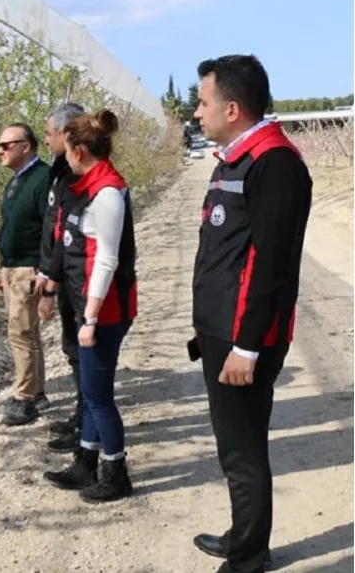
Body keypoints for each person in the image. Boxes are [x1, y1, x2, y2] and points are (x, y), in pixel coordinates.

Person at [189, 54, 311, 573]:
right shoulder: (237, 158)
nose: (196, 113)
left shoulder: (275, 163)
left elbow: (271, 268)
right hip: (222, 330)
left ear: (232, 108)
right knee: (233, 444)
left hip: (244, 338)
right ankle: (244, 535)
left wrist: (247, 345)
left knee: (242, 451)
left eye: (202, 102)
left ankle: (249, 559)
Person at [42, 109, 138, 503]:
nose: (63, 159)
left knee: (98, 396)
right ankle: (86, 461)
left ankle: (115, 472)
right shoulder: (90, 187)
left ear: (79, 151)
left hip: (105, 309)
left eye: (65, 150)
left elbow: (107, 259)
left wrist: (92, 317)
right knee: (91, 389)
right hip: (89, 304)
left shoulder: (108, 193)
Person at [35, 102, 86, 453]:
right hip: (61, 273)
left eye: (50, 134)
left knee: (81, 352)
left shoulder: (77, 175)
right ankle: (83, 417)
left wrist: (51, 284)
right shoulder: (58, 169)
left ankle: (88, 424)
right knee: (72, 350)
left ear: (67, 134)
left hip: (73, 278)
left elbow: (67, 234)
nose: (46, 140)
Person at [0, 122, 52, 426]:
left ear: (25, 146)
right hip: (15, 267)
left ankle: (25, 398)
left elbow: (48, 228)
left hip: (30, 268)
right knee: (28, 333)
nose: (0, 151)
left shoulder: (42, 178)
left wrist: (44, 269)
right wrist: (4, 267)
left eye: (6, 145)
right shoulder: (16, 181)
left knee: (21, 334)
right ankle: (37, 391)